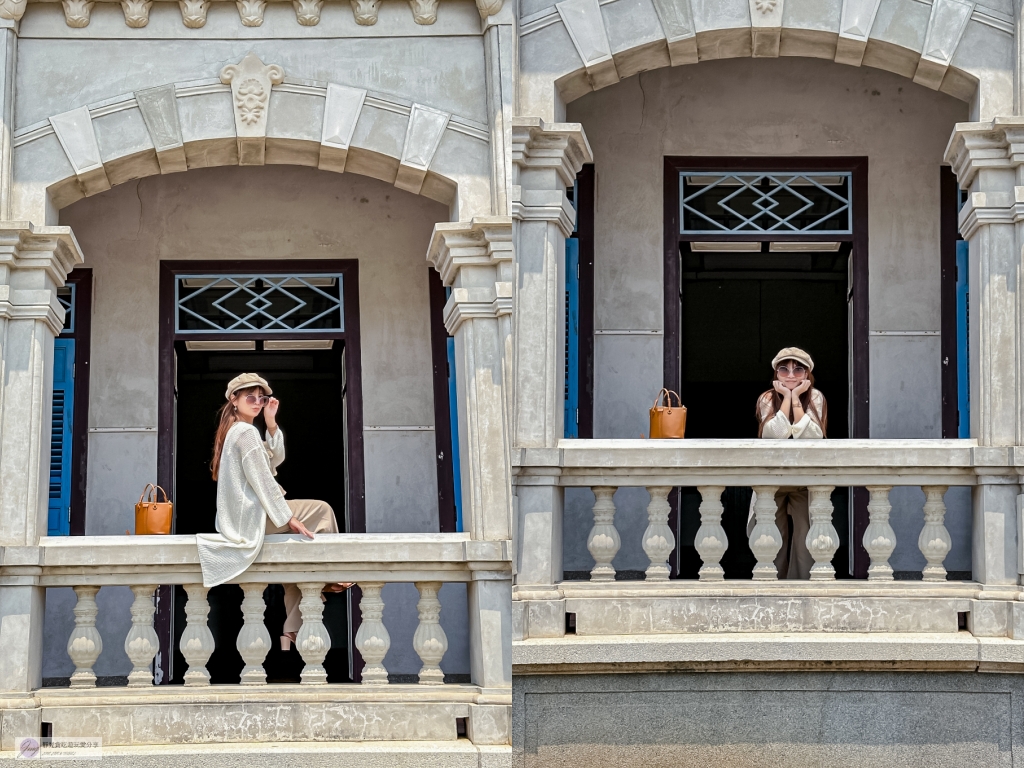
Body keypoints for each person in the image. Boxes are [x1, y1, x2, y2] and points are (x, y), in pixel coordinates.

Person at [195, 373, 349, 653]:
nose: (257, 402)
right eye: (250, 397)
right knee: (322, 510)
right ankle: (334, 574)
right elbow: (263, 480)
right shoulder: (245, 432)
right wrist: (287, 518)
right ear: (234, 400)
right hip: (254, 517)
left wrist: (270, 422)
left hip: (242, 519)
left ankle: (290, 630)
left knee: (301, 556)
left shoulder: (238, 431)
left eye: (261, 398)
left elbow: (271, 462)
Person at [746, 347, 828, 580]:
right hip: (773, 481)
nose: (791, 375)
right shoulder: (767, 399)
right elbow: (774, 434)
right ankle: (773, 585)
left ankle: (803, 588)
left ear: (807, 373)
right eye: (784, 369)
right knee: (773, 539)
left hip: (804, 481)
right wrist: (787, 398)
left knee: (806, 541)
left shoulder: (815, 397)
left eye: (798, 369)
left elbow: (813, 437)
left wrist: (796, 402)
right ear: (776, 373)